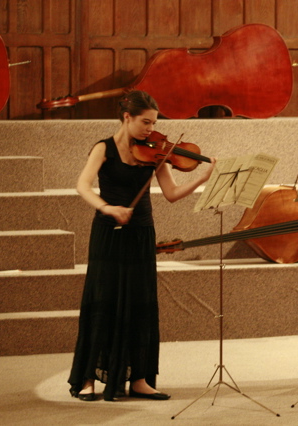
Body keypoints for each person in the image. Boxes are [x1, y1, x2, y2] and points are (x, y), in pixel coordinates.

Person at [68, 90, 216, 401]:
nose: (151, 130)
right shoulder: (103, 148)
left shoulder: (156, 153)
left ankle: (140, 379)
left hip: (141, 233)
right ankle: (88, 379)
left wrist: (202, 179)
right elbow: (83, 184)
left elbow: (172, 194)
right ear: (127, 117)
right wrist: (108, 207)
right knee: (102, 303)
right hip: (109, 233)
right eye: (145, 122)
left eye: (154, 123)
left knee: (140, 305)